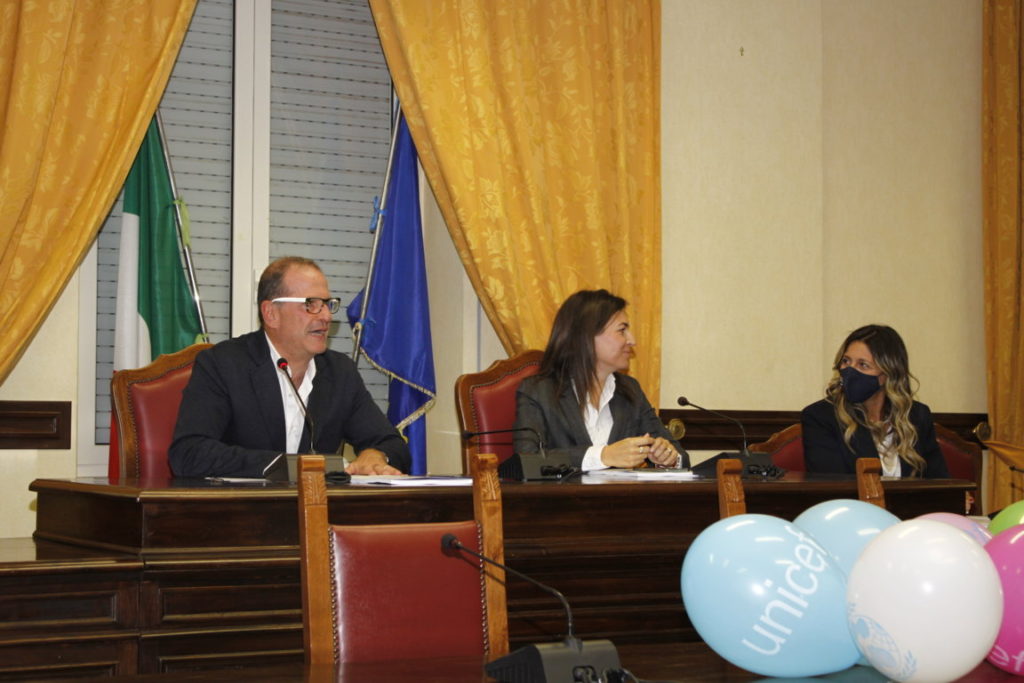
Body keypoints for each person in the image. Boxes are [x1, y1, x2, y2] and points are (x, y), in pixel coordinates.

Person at [169, 256, 410, 478]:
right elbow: (189, 453)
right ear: (271, 313)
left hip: (316, 515)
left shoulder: (339, 372)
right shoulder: (223, 365)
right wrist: (285, 466)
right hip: (240, 513)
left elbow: (391, 443)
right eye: (311, 304)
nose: (326, 316)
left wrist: (376, 456)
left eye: (327, 304)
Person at [513, 289, 688, 471]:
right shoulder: (538, 391)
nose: (632, 340)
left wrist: (668, 456)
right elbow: (527, 460)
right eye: (622, 330)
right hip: (560, 499)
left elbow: (681, 456)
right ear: (586, 336)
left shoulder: (630, 390)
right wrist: (602, 456)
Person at [801, 324, 948, 478]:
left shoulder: (917, 416)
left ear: (887, 374)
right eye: (846, 361)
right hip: (854, 503)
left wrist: (956, 496)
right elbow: (833, 486)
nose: (850, 371)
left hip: (913, 503)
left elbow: (940, 479)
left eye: (863, 365)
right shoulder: (821, 416)